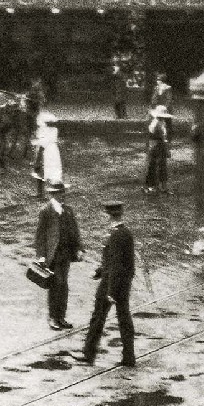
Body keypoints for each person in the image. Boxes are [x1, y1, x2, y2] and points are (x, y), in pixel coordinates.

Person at [82, 199, 136, 367]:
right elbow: (114, 261)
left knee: (98, 317)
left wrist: (111, 291)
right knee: (123, 318)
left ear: (109, 216)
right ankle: (128, 357)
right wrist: (99, 271)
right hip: (120, 282)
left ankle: (89, 354)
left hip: (112, 284)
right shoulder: (123, 232)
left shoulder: (116, 235)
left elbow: (117, 265)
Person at [34, 180, 82, 330]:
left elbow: (75, 231)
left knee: (64, 286)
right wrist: (41, 255)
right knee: (55, 285)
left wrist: (79, 248)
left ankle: (61, 317)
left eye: (62, 192)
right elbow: (40, 236)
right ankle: (52, 317)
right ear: (52, 194)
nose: (61, 195)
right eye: (58, 193)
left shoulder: (68, 210)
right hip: (52, 254)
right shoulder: (46, 211)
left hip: (65, 253)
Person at [144, 106, 170, 195]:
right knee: (155, 165)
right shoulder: (157, 124)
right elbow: (162, 137)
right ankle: (152, 186)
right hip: (157, 146)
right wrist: (166, 148)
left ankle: (159, 186)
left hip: (156, 146)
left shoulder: (159, 122)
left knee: (158, 165)